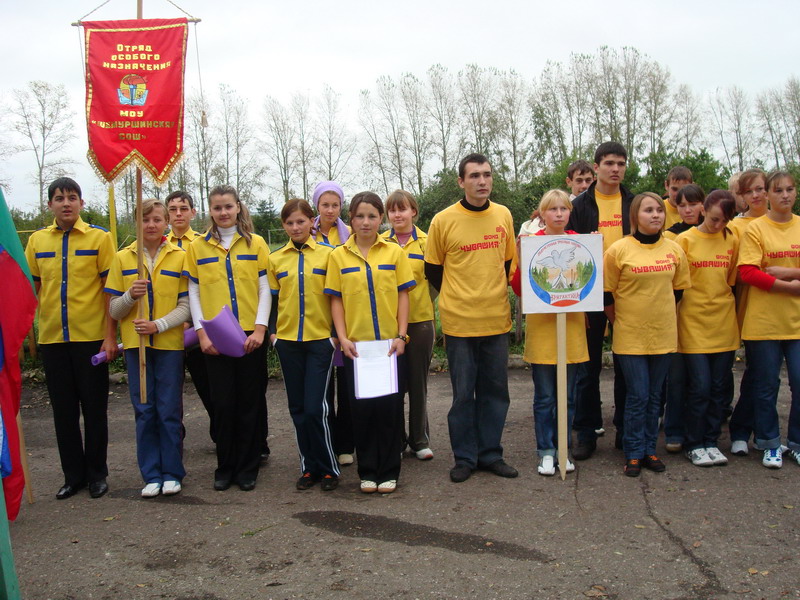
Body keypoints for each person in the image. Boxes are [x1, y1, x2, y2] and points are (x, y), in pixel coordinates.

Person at [425, 153, 518, 483]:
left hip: (495, 320)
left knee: (495, 392)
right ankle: (464, 457)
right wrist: (459, 296)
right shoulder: (443, 220)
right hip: (460, 322)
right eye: (475, 176)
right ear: (461, 182)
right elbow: (433, 269)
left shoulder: (503, 215)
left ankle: (490, 453)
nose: (482, 181)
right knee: (464, 395)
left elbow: (508, 264)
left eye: (487, 174)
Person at [24, 177, 118, 500]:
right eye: (59, 198)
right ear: (49, 204)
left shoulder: (100, 239)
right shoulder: (37, 241)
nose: (66, 203)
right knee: (63, 412)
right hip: (52, 339)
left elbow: (110, 293)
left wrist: (110, 338)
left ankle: (97, 474)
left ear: (81, 203)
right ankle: (72, 476)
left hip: (90, 339)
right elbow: (29, 291)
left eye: (72, 197)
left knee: (94, 410)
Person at [324, 192, 415, 494]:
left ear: (381, 219)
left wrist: (402, 335)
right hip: (357, 349)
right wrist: (343, 337)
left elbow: (404, 295)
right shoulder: (338, 256)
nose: (366, 222)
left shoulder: (393, 253)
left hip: (389, 347)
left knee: (389, 410)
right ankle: (368, 471)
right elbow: (335, 300)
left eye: (372, 216)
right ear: (350, 218)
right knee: (361, 410)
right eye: (360, 216)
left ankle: (389, 470)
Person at [183, 185, 271, 491]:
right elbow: (193, 292)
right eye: (217, 208)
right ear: (210, 211)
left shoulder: (256, 244)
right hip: (215, 337)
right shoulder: (197, 247)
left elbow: (265, 289)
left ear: (238, 208)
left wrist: (260, 328)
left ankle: (247, 467)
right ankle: (226, 466)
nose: (223, 212)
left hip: (249, 336)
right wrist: (201, 333)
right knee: (223, 404)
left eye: (228, 207)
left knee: (249, 402)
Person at [105, 199, 189, 497]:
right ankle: (151, 473)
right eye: (145, 220)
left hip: (168, 345)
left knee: (169, 410)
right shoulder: (122, 258)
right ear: (137, 223)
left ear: (166, 221)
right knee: (144, 409)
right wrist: (130, 295)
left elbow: (186, 306)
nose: (151, 225)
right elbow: (114, 310)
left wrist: (159, 325)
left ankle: (172, 472)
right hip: (135, 347)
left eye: (156, 219)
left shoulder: (180, 256)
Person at [604, 192, 691, 476]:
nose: (656, 215)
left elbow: (677, 290)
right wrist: (621, 321)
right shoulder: (619, 250)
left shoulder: (674, 249)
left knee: (656, 396)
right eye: (648, 211)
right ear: (635, 216)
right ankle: (632, 452)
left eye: (659, 210)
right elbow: (607, 295)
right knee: (638, 395)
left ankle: (649, 450)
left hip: (664, 334)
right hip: (630, 336)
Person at [510, 189, 588, 475]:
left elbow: (590, 282)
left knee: (567, 397)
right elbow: (519, 287)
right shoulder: (530, 244)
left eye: (563, 209)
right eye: (552, 209)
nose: (558, 214)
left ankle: (564, 449)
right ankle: (545, 451)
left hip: (572, 329)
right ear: (542, 214)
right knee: (544, 397)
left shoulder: (581, 243)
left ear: (570, 212)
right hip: (543, 331)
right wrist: (520, 255)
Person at [566, 142, 635, 460]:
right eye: (609, 163)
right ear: (596, 167)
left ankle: (626, 430)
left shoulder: (634, 203)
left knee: (626, 367)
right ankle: (586, 433)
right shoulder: (579, 205)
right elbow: (568, 250)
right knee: (587, 367)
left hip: (627, 295)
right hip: (590, 295)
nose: (615, 169)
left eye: (621, 163)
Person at [268, 199, 339, 491]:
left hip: (320, 342)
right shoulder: (276, 259)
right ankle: (308, 467)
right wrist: (273, 336)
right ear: (284, 225)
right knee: (297, 408)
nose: (296, 227)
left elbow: (338, 298)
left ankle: (329, 469)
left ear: (312, 221)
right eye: (289, 223)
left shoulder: (330, 255)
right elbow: (271, 302)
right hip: (288, 343)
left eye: (301, 221)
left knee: (315, 408)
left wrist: (334, 336)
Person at [736, 171, 800, 468]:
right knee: (765, 385)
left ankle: (796, 442)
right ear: (769, 196)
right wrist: (790, 287)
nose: (785, 195)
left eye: (790, 189)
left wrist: (787, 272)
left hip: (796, 322)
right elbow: (748, 272)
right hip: (763, 321)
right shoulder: (755, 229)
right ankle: (769, 443)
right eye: (778, 190)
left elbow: (766, 272)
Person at [675, 190, 739, 467]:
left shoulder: (732, 239)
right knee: (699, 387)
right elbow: (676, 284)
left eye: (724, 221)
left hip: (723, 322)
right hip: (692, 321)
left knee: (718, 387)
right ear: (703, 210)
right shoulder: (685, 240)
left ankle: (712, 441)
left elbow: (732, 280)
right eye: (714, 219)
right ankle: (694, 442)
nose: (718, 225)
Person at [383, 190, 435, 461]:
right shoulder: (381, 243)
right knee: (393, 386)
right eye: (392, 210)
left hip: (420, 323)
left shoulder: (427, 242)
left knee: (417, 384)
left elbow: (437, 282)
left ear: (414, 211)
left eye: (402, 209)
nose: (397, 215)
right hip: (387, 326)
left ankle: (419, 440)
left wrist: (424, 302)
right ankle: (396, 440)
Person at [165, 190, 215, 443]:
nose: (178, 214)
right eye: (173, 209)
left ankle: (221, 437)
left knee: (209, 388)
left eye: (183, 208)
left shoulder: (204, 243)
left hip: (197, 330)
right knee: (170, 393)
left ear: (193, 212)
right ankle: (175, 440)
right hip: (168, 329)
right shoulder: (159, 244)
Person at [311, 181, 354, 467]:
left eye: (335, 205)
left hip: (347, 316)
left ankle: (346, 443)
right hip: (317, 317)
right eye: (325, 204)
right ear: (316, 205)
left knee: (348, 385)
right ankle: (324, 442)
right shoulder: (308, 233)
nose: (330, 209)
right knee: (323, 389)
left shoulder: (348, 234)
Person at [728, 169, 770, 455]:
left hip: (784, 309)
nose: (756, 195)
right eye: (748, 191)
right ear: (741, 197)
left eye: (760, 188)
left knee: (764, 376)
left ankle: (760, 431)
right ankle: (742, 429)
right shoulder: (736, 227)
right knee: (758, 373)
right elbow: (737, 272)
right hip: (747, 304)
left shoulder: (785, 221)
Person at [662, 184, 705, 453]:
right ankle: (674, 430)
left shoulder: (718, 232)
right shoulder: (670, 236)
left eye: (693, 204)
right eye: (682, 205)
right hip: (677, 314)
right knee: (676, 379)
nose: (688, 210)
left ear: (704, 204)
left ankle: (701, 433)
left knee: (703, 381)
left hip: (708, 315)